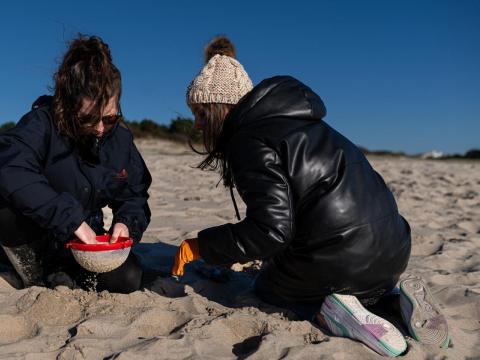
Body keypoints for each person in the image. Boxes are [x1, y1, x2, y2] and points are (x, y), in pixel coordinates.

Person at [172, 36, 449, 356]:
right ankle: (395, 303)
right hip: (393, 253)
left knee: (267, 289)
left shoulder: (248, 141)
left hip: (341, 260)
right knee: (347, 280)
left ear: (218, 110)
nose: (195, 125)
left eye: (199, 114)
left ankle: (335, 314)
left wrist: (201, 245)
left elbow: (270, 231)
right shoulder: (312, 125)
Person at [0, 35, 151, 294]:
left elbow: (135, 194)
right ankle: (35, 278)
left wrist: (127, 223)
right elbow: (7, 167)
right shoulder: (42, 123)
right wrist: (69, 220)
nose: (99, 129)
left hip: (82, 238)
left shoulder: (121, 140)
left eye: (110, 118)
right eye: (88, 119)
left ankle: (63, 271)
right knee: (7, 211)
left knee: (127, 280)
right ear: (67, 105)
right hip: (28, 232)